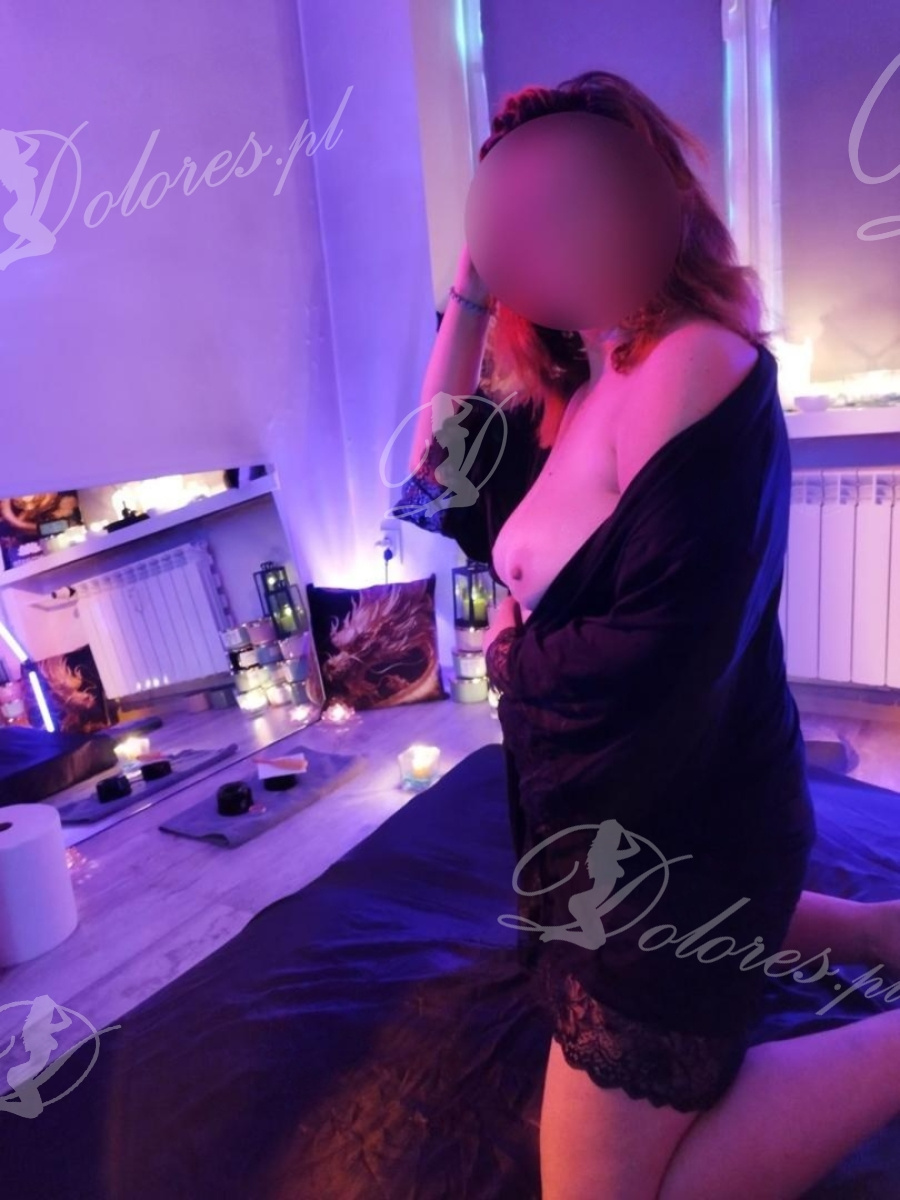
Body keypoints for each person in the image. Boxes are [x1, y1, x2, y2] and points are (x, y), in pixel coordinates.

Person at [394, 69, 900, 1200]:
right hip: (613, 819)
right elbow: (438, 471)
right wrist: (470, 289)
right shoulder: (585, 376)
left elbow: (666, 650)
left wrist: (513, 653)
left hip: (688, 821)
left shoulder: (693, 364)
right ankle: (873, 931)